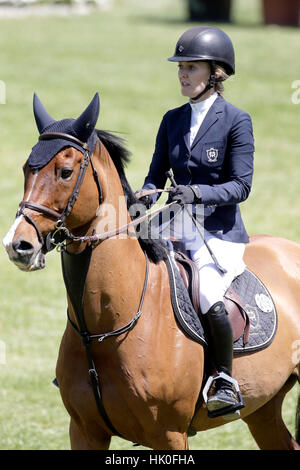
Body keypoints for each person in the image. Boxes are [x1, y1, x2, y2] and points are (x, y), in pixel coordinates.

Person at [136, 25, 254, 418]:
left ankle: (224, 379)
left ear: (215, 73)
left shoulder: (236, 120)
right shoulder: (171, 119)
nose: (183, 74)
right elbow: (155, 176)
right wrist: (145, 194)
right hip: (174, 224)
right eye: (181, 67)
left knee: (206, 294)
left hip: (218, 232)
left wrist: (198, 192)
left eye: (192, 67)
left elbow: (240, 186)